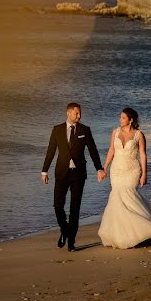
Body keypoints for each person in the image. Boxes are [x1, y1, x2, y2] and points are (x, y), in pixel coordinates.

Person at [98, 107, 151, 249]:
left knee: (129, 197)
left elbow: (143, 155)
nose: (120, 120)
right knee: (117, 199)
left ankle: (146, 230)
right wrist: (104, 168)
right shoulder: (115, 132)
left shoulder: (139, 135)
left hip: (132, 170)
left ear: (130, 119)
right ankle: (124, 235)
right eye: (120, 117)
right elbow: (111, 150)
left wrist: (145, 174)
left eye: (123, 118)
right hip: (116, 170)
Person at [41, 102, 105, 251]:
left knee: (75, 209)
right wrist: (44, 171)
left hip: (78, 174)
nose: (79, 115)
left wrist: (99, 168)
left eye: (80, 113)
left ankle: (71, 243)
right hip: (61, 173)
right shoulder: (57, 130)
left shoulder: (85, 130)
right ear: (68, 113)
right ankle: (65, 230)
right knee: (57, 205)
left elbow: (93, 150)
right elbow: (50, 152)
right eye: (76, 113)